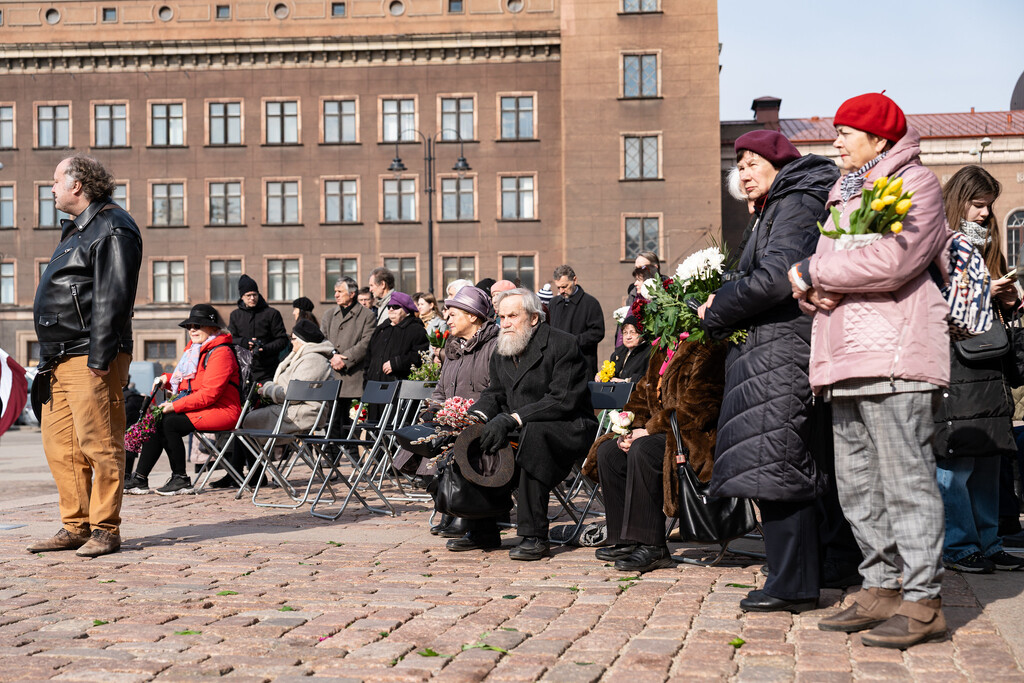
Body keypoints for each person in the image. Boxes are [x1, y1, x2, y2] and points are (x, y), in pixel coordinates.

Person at [788, 93, 950, 649]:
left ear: (879, 139)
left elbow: (896, 260)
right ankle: (880, 586)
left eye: (846, 133)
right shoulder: (843, 193)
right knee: (858, 484)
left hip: (896, 354)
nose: (835, 142)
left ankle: (923, 601)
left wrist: (813, 271)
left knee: (906, 480)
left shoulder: (916, 184)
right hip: (844, 356)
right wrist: (808, 290)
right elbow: (826, 271)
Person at [699, 129, 847, 614]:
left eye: (752, 163)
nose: (742, 173)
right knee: (785, 461)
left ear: (780, 164)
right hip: (772, 349)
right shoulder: (776, 205)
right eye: (738, 165)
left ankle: (793, 583)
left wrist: (717, 308)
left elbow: (776, 278)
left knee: (778, 464)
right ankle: (813, 570)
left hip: (782, 350)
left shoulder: (795, 202)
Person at [28, 155, 142, 558]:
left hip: (89, 354)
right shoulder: (79, 229)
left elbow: (115, 296)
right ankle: (75, 526)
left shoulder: (112, 225)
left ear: (77, 184)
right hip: (59, 357)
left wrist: (100, 357)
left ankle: (105, 529)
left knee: (100, 442)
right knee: (61, 447)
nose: (51, 187)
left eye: (55, 180)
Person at [932, 166, 1024, 573]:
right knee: (958, 460)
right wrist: (986, 290)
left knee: (988, 457)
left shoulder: (988, 246)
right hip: (956, 364)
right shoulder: (938, 242)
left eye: (989, 206)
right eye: (978, 204)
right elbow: (936, 303)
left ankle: (989, 541)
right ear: (959, 201)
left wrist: (1009, 300)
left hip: (991, 364)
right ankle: (958, 545)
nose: (985, 213)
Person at [467, 289, 598, 560]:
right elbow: (495, 393)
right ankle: (483, 529)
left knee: (533, 436)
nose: (505, 323)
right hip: (524, 425)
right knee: (480, 436)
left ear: (534, 318)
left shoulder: (563, 344)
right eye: (501, 317)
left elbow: (561, 400)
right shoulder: (503, 349)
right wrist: (476, 416)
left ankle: (534, 536)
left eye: (513, 316)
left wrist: (513, 418)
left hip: (569, 426)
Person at [588, 333, 726, 571]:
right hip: (662, 433)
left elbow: (701, 407)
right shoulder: (663, 347)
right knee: (610, 450)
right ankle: (626, 539)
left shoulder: (709, 345)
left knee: (644, 449)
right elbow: (642, 396)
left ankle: (652, 546)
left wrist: (649, 430)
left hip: (695, 438)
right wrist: (628, 427)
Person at [391, 286, 499, 534]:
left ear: (472, 316)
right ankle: (447, 504)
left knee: (452, 445)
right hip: (450, 420)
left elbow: (496, 390)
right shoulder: (453, 349)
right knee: (424, 441)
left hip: (479, 422)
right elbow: (441, 389)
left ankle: (463, 510)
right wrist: (434, 409)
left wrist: (469, 413)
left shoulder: (493, 347)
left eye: (454, 314)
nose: (447, 318)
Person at [124, 304, 242, 496]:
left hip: (223, 410)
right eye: (189, 326)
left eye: (198, 325)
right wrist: (167, 379)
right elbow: (190, 383)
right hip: (206, 407)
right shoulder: (195, 350)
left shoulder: (221, 352)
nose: (192, 330)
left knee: (169, 422)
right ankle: (140, 479)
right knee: (157, 419)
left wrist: (175, 406)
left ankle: (181, 479)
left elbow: (210, 394)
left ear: (213, 328)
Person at [210, 319, 335, 488]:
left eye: (293, 338)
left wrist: (268, 389)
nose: (291, 342)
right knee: (244, 421)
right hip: (293, 409)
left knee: (245, 422)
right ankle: (242, 473)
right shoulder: (307, 357)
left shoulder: (313, 360)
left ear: (303, 341)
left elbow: (294, 395)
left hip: (302, 414)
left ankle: (250, 474)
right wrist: (270, 389)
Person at [320, 277, 376, 431]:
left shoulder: (367, 315)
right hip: (331, 377)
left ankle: (350, 447)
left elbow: (367, 342)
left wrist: (346, 359)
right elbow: (321, 340)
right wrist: (332, 355)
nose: (336, 295)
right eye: (335, 291)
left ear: (352, 294)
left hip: (354, 379)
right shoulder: (329, 315)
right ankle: (333, 448)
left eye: (340, 291)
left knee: (352, 426)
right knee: (331, 425)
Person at [548, 265, 605, 377]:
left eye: (564, 286)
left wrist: (573, 342)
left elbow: (597, 332)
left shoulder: (590, 303)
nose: (561, 291)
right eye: (558, 287)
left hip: (582, 366)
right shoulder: (553, 303)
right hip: (557, 367)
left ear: (574, 280)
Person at [229, 275, 288, 384]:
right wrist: (245, 343)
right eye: (248, 295)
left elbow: (282, 340)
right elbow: (230, 339)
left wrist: (264, 349)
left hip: (268, 370)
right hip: (243, 370)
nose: (252, 298)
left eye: (254, 294)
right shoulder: (235, 315)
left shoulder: (272, 314)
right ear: (242, 297)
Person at [364, 291, 429, 384]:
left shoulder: (416, 330)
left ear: (406, 311)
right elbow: (368, 358)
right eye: (389, 307)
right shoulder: (381, 329)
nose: (391, 309)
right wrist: (366, 382)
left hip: (399, 385)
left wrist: (397, 363)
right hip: (373, 385)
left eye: (395, 307)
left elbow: (420, 356)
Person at [598, 315, 651, 383]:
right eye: (625, 333)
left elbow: (650, 379)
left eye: (632, 332)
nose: (628, 337)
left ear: (642, 334)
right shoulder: (618, 353)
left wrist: (626, 381)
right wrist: (602, 375)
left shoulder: (649, 352)